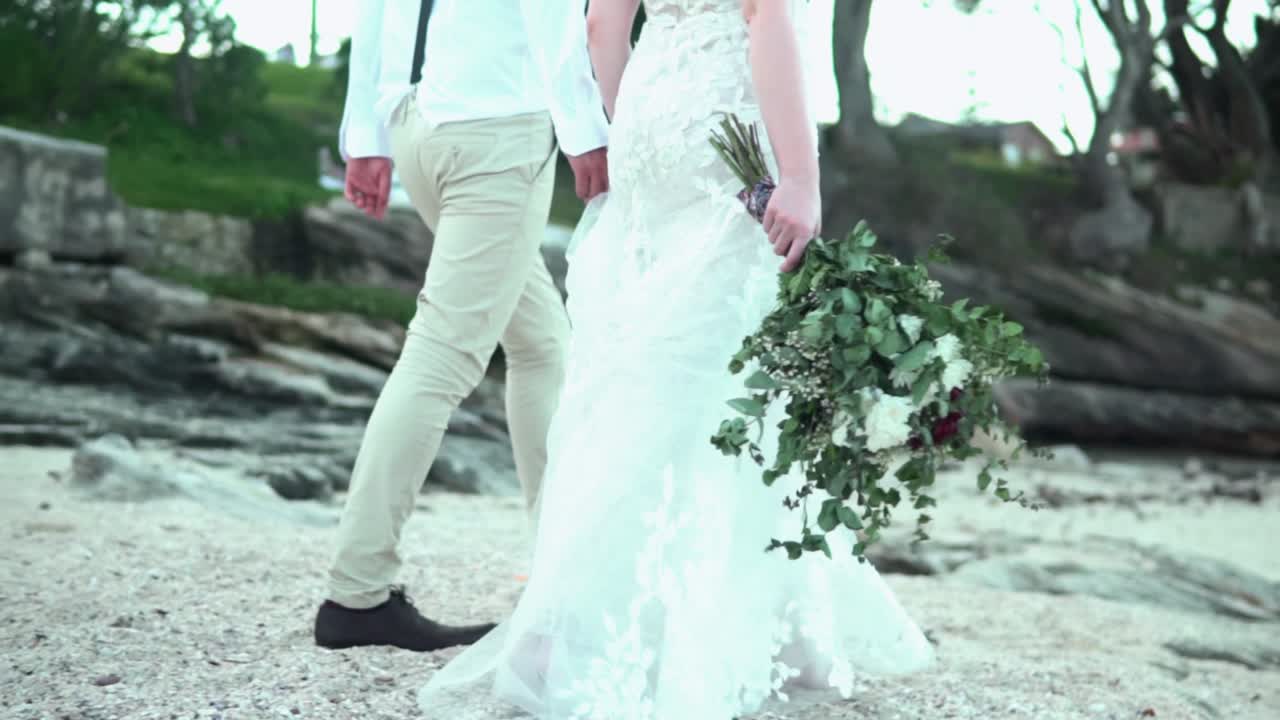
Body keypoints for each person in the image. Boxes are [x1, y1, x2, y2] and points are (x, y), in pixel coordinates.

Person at [416, 0, 935, 717]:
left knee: (644, 363)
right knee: (716, 365)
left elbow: (602, 24)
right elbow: (766, 14)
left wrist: (634, 122)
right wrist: (799, 178)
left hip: (651, 113)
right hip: (725, 117)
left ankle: (591, 623)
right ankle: (691, 634)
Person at [312, 0, 610, 653]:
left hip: (418, 126)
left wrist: (367, 135)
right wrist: (586, 126)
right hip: (495, 129)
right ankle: (356, 592)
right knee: (441, 356)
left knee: (540, 342)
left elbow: (374, 11)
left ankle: (560, 563)